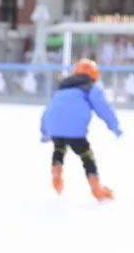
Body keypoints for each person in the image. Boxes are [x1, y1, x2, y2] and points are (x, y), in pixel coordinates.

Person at [40, 58, 122, 201]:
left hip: (54, 127)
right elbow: (104, 108)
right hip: (75, 131)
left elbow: (48, 111)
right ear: (93, 75)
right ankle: (97, 189)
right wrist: (114, 127)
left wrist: (45, 131)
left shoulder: (61, 89)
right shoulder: (90, 88)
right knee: (86, 156)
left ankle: (56, 173)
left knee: (59, 148)